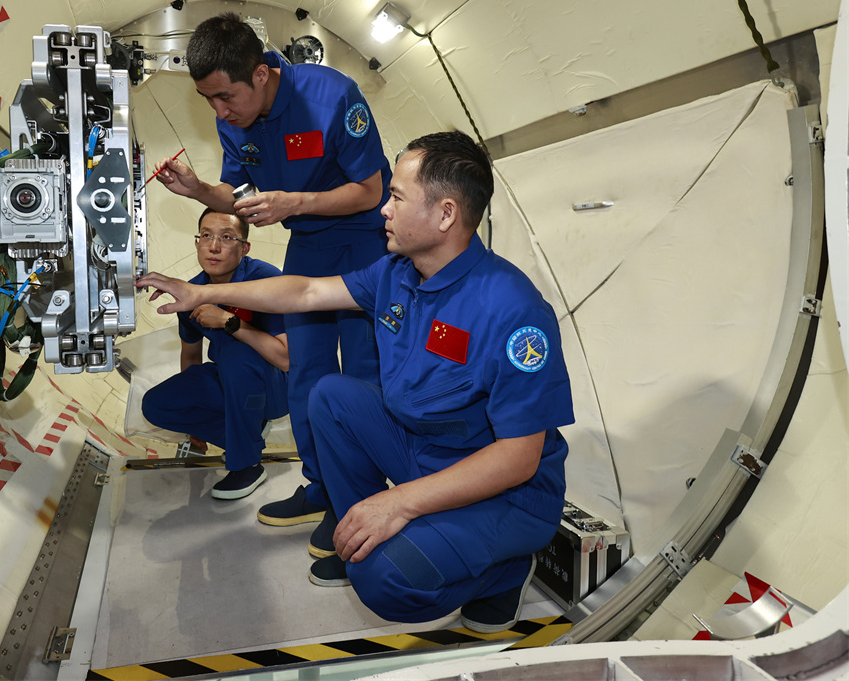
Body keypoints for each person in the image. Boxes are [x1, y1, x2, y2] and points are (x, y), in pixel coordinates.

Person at [137, 132, 574, 630]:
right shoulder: (397, 273)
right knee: (330, 395)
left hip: (506, 492)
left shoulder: (512, 310)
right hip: (425, 451)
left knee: (383, 578)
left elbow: (518, 459)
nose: (383, 209)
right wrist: (199, 295)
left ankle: (503, 572)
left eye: (397, 197)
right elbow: (305, 292)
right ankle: (361, 530)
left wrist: (398, 502)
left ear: (445, 214)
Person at [152, 13, 391, 553]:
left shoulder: (333, 96)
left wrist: (294, 202)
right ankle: (322, 487)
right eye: (208, 100)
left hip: (363, 241)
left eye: (226, 96)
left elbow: (370, 191)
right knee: (306, 370)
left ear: (261, 74)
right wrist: (198, 190)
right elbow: (237, 197)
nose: (220, 111)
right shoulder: (234, 120)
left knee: (361, 372)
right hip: (307, 241)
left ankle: (359, 498)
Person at [141, 209, 290, 500]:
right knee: (156, 405)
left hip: (277, 387)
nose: (214, 246)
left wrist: (229, 322)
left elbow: (285, 359)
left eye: (227, 237)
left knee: (236, 353)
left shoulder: (266, 280)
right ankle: (245, 435)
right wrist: (194, 415)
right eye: (206, 236)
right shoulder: (191, 292)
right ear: (197, 243)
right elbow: (191, 357)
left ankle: (246, 465)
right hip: (228, 383)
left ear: (245, 248)